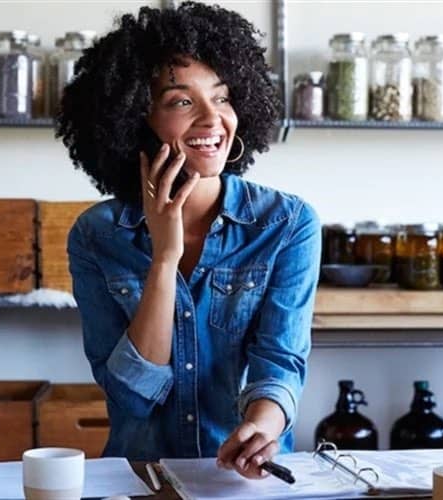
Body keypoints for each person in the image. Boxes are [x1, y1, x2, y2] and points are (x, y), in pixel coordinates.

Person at [57, 2, 321, 479]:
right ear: (138, 117)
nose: (211, 119)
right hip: (139, 478)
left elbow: (279, 362)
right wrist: (164, 258)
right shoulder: (97, 235)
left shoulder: (287, 224)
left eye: (221, 98)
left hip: (243, 481)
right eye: (181, 101)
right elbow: (133, 396)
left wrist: (262, 427)